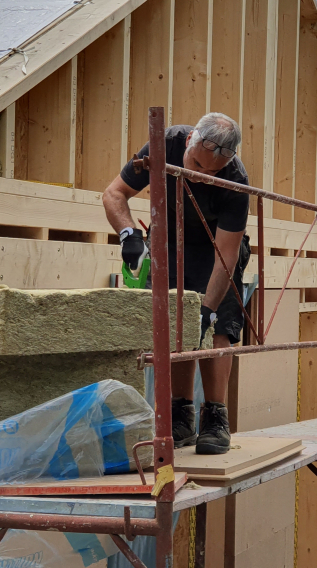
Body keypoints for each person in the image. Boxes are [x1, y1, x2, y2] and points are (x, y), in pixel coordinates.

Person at [103, 112, 251, 455]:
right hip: (168, 240)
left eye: (211, 172)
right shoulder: (165, 143)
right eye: (196, 164)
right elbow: (114, 193)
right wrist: (129, 234)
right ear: (189, 142)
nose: (201, 176)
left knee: (215, 329)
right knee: (177, 325)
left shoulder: (235, 180)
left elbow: (226, 256)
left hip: (214, 247)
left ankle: (215, 416)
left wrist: (208, 309)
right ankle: (181, 413)